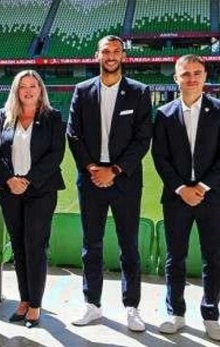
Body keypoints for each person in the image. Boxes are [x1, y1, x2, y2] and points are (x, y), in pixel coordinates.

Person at [67, 35, 152, 331]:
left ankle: (132, 307)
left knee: (129, 245)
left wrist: (114, 170)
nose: (111, 55)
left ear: (124, 56)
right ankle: (92, 304)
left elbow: (143, 139)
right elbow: (73, 134)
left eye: (116, 51)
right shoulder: (82, 90)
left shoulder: (140, 92)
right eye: (106, 51)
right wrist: (92, 167)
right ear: (97, 55)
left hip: (125, 179)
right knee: (92, 244)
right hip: (91, 179)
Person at [151, 54, 220, 341]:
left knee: (213, 257)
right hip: (176, 198)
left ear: (205, 76)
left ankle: (211, 315)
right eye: (185, 74)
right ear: (176, 78)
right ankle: (176, 313)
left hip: (212, 197)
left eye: (197, 73)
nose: (192, 78)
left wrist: (202, 187)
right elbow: (160, 157)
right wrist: (181, 188)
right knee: (176, 257)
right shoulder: (163, 114)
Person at [0, 70, 65, 328]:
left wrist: (29, 180)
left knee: (35, 247)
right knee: (19, 247)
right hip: (9, 190)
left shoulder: (52, 117)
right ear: (16, 90)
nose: (28, 90)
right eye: (23, 86)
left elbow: (56, 154)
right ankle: (23, 300)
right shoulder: (4, 116)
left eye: (33, 85)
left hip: (41, 190)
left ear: (40, 89)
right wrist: (10, 179)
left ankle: (35, 304)